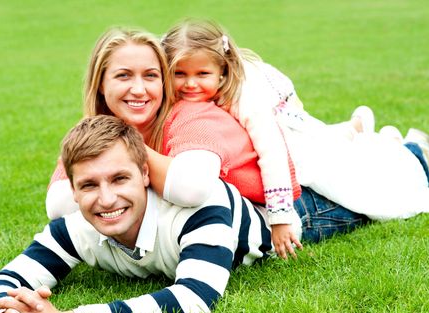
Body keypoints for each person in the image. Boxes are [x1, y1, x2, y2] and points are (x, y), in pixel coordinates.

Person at [0, 114, 361, 313]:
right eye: (89, 185)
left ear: (146, 174)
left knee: (372, 189)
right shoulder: (76, 227)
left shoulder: (198, 210)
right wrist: (10, 312)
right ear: (73, 192)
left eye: (119, 179)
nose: (106, 199)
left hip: (288, 219)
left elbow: (194, 298)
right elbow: (0, 282)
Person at [46, 27, 371, 260]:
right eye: (122, 76)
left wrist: (122, 145)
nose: (139, 89)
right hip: (236, 208)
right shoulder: (97, 130)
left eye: (150, 75)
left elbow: (192, 189)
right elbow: (60, 206)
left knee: (373, 179)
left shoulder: (195, 114)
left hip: (287, 206)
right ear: (100, 85)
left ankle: (394, 144)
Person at [160, 19, 429, 221]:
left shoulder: (243, 98)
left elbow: (272, 152)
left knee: (356, 181)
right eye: (179, 73)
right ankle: (362, 129)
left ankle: (400, 149)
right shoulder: (178, 93)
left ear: (222, 72)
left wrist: (280, 213)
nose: (190, 83)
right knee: (337, 145)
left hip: (292, 145)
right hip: (293, 135)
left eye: (202, 74)